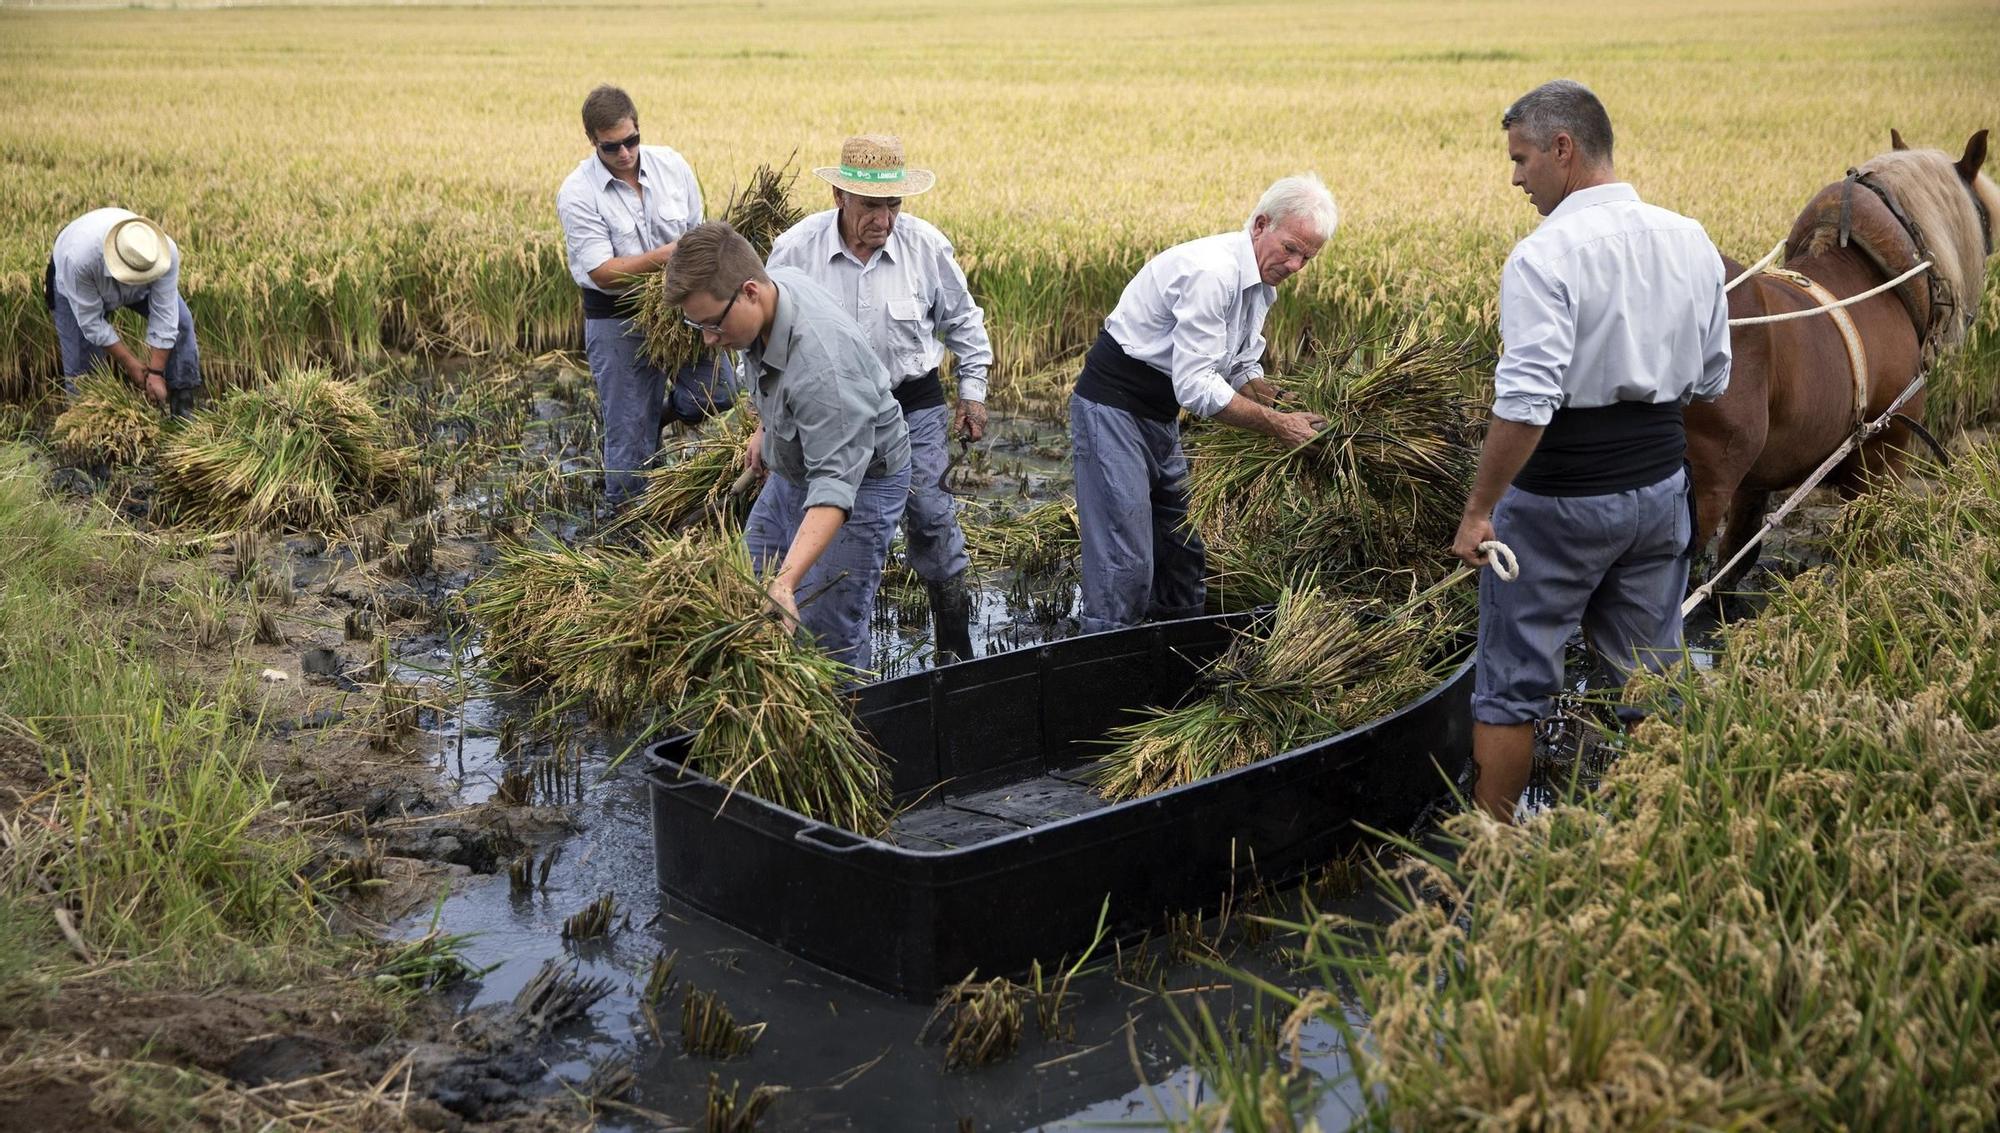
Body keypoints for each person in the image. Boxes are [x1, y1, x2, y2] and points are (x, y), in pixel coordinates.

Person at [1450, 79, 1732, 823]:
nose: (1515, 178)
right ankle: (1661, 835)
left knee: (1510, 686)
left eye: (1520, 159)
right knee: (1651, 679)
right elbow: (1712, 376)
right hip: (1657, 497)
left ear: (1563, 149)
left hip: (1558, 505)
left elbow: (1526, 402)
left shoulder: (1543, 257)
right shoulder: (1692, 239)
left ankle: (1491, 859)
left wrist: (1479, 510)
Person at [1069, 174, 1336, 635]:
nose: (1296, 265)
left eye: (1307, 258)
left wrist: (1296, 405)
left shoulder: (1260, 285)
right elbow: (1195, 386)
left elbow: (1240, 367)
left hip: (1158, 415)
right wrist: (1279, 426)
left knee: (1182, 551)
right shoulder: (1212, 272)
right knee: (1125, 563)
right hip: (1113, 409)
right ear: (1260, 225)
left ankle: (1172, 667)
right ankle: (1103, 667)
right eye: (1291, 249)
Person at [765, 134, 993, 663]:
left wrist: (972, 395)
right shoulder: (796, 251)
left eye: (894, 205)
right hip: (824, 412)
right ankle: (803, 631)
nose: (884, 220)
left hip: (912, 404)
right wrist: (764, 424)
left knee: (932, 514)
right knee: (817, 513)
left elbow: (964, 323)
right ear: (840, 198)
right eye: (872, 206)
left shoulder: (925, 247)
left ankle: (954, 648)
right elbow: (764, 340)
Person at [664, 221, 912, 673]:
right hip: (793, 470)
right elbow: (769, 378)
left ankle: (844, 729)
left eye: (712, 325)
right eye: (696, 325)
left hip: (862, 482)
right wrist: (766, 428)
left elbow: (836, 487)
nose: (708, 339)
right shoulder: (772, 289)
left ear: (750, 292)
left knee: (823, 629)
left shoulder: (824, 371)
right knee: (747, 592)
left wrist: (788, 581)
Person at [556, 83, 733, 510]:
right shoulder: (577, 193)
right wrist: (667, 256)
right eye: (611, 147)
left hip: (682, 307)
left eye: (631, 141)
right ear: (592, 141)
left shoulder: (673, 166)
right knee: (629, 436)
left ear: (638, 128)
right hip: (617, 318)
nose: (624, 154)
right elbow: (603, 272)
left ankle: (659, 417)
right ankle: (627, 528)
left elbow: (698, 232)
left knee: (721, 391)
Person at [46, 208, 201, 416]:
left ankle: (182, 410)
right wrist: (131, 364)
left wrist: (155, 373)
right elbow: (92, 324)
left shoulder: (164, 252)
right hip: (77, 282)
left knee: (181, 323)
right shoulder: (78, 261)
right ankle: (88, 427)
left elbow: (166, 316)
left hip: (132, 272)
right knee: (83, 364)